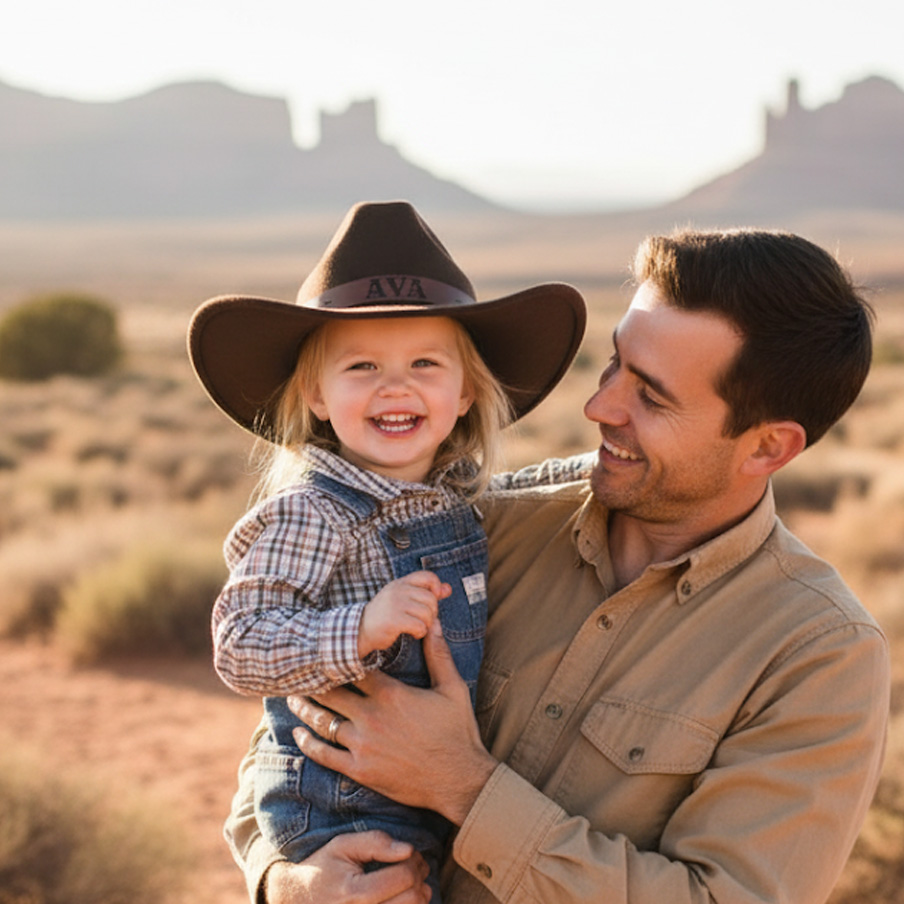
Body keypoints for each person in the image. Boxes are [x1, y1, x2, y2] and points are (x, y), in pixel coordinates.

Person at [225, 227, 890, 904]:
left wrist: (463, 784)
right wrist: (288, 880)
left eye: (652, 397)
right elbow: (293, 721)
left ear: (767, 447)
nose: (598, 406)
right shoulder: (472, 523)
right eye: (614, 365)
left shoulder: (819, 655)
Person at [187, 200, 587, 903]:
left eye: (425, 363)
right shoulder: (312, 513)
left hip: (424, 800)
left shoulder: (455, 503)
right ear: (315, 394)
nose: (394, 386)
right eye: (362, 365)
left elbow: (536, 484)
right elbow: (240, 646)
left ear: (465, 394)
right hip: (339, 812)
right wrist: (362, 628)